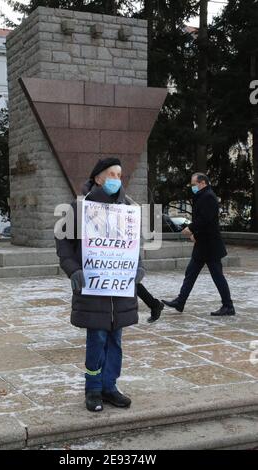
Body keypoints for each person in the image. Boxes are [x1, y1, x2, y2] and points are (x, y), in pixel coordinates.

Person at [56, 157, 162, 412]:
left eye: (119, 175)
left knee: (116, 340)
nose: (116, 179)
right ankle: (93, 389)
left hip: (121, 289)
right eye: (111, 174)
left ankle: (110, 386)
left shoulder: (128, 208)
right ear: (98, 178)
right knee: (97, 337)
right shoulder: (77, 208)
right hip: (94, 288)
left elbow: (132, 245)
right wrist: (73, 270)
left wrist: (138, 266)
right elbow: (63, 245)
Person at [162, 172, 235, 316]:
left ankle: (228, 306)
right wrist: (196, 234)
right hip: (204, 244)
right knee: (191, 273)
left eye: (194, 184)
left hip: (210, 246)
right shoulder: (203, 196)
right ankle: (180, 301)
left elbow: (205, 220)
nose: (192, 187)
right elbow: (204, 221)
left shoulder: (208, 197)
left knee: (217, 276)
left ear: (202, 183)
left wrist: (191, 229)